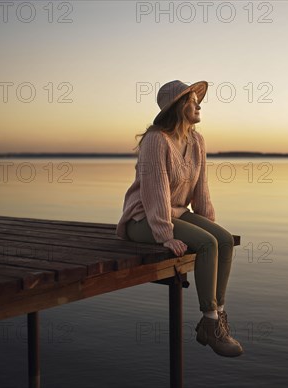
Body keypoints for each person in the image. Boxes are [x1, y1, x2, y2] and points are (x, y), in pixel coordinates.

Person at [116, 80, 243, 357]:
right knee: (207, 244)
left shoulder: (197, 141)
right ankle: (209, 321)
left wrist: (208, 221)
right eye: (192, 100)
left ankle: (219, 315)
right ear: (177, 106)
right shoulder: (155, 140)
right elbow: (154, 192)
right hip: (143, 219)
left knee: (222, 239)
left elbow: (202, 188)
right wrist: (165, 236)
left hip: (176, 213)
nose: (198, 104)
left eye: (198, 100)